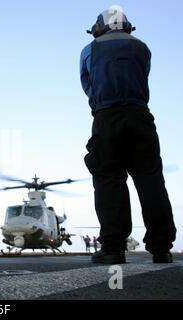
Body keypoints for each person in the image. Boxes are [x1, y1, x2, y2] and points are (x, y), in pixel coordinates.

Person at [80, 8, 176, 264]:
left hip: (106, 118)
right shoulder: (141, 48)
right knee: (151, 180)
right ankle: (161, 248)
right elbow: (142, 76)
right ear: (127, 26)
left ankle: (113, 248)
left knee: (109, 180)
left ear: (99, 27)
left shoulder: (90, 49)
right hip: (140, 117)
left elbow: (89, 88)